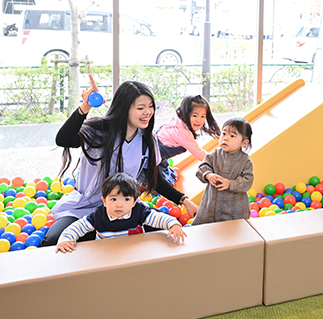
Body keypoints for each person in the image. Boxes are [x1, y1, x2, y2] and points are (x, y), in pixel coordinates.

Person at [41, 77, 198, 246]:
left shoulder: (147, 139)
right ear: (124, 109)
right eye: (140, 108)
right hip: (84, 208)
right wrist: (85, 106)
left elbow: (154, 178)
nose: (148, 112)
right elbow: (63, 139)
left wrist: (184, 200)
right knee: (53, 241)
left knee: (170, 231)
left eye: (151, 106)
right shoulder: (99, 130)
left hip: (124, 207)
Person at [55, 172, 185, 253]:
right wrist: (66, 239)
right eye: (113, 199)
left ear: (134, 202)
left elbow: (159, 218)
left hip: (135, 253)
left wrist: (173, 224)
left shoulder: (139, 212)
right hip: (107, 254)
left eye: (126, 199)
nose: (119, 204)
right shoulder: (99, 216)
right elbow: (77, 227)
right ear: (104, 201)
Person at [191, 117, 254, 225]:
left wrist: (230, 184)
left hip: (234, 211)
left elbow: (247, 181)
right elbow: (202, 168)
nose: (226, 138)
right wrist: (208, 175)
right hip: (210, 208)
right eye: (224, 134)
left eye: (232, 136)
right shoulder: (214, 155)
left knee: (233, 231)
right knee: (202, 229)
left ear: (244, 143)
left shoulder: (245, 161)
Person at [155, 95, 220, 184]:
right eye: (195, 115)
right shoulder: (183, 132)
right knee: (162, 183)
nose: (199, 120)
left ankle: (167, 173)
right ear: (186, 113)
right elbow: (198, 153)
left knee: (162, 169)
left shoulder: (178, 119)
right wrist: (215, 162)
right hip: (155, 154)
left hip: (156, 146)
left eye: (202, 116)